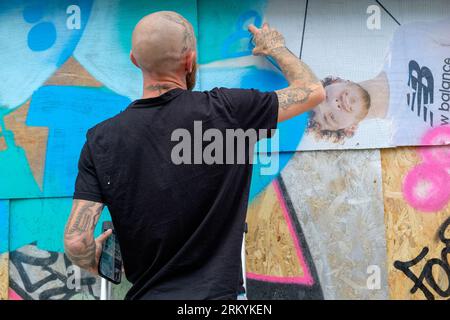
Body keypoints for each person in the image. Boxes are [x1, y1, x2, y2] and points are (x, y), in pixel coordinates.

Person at [63, 11, 324, 300]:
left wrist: (95, 258)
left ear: (134, 61)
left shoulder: (101, 139)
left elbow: (76, 242)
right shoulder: (229, 110)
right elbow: (311, 91)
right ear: (189, 60)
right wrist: (274, 46)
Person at [307, 17, 450, 145]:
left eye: (325, 98)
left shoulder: (406, 40)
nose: (334, 104)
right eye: (331, 117)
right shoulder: (404, 142)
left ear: (336, 81)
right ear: (349, 129)